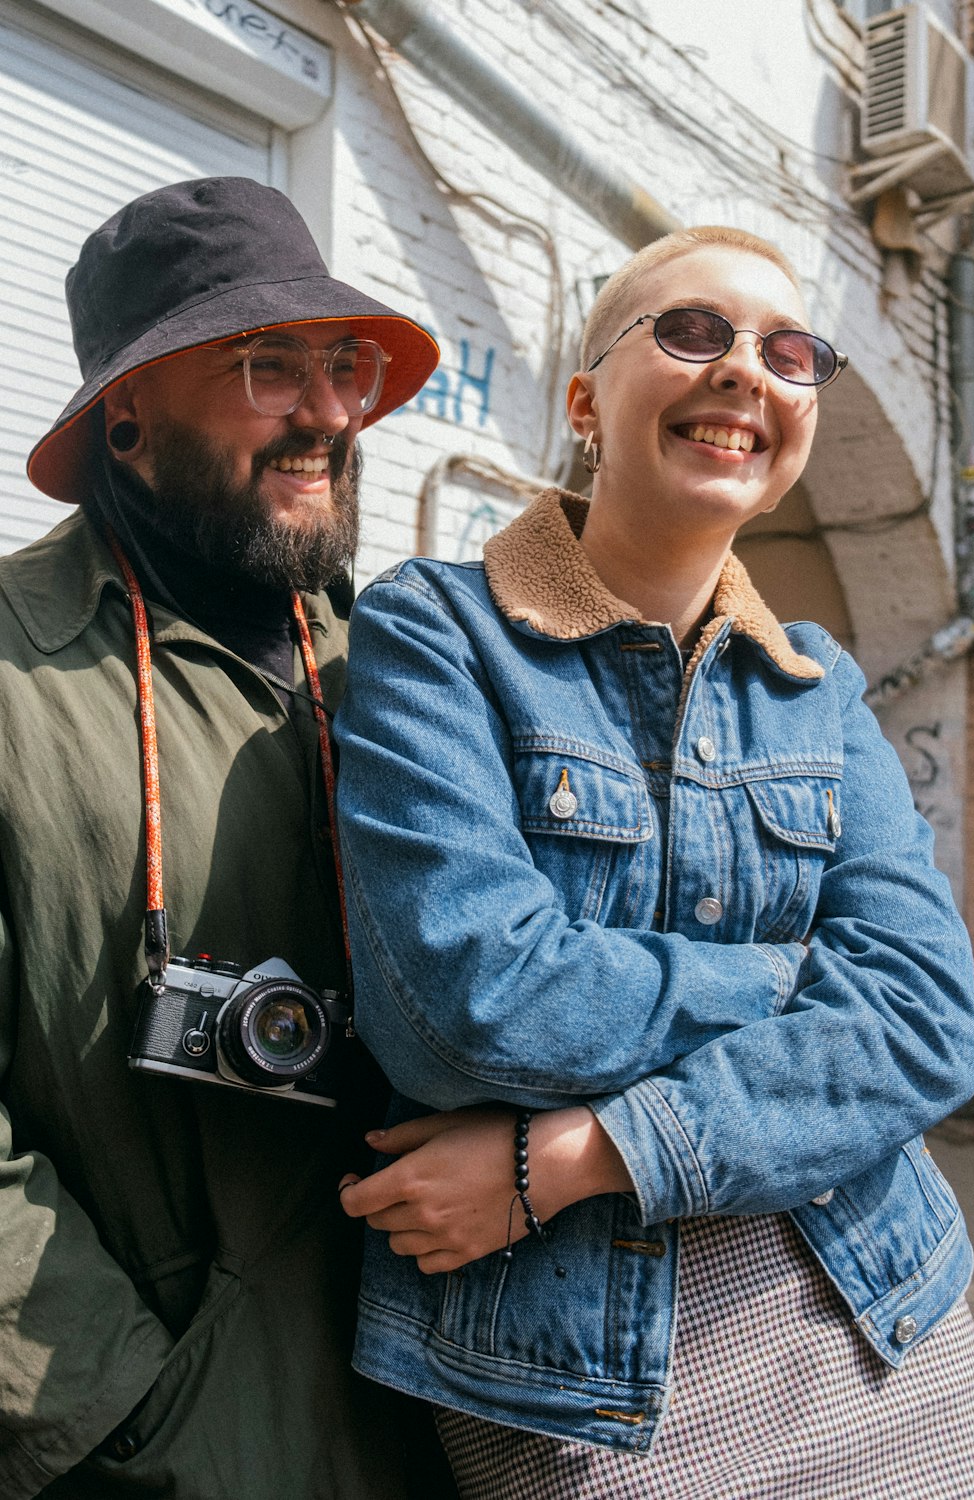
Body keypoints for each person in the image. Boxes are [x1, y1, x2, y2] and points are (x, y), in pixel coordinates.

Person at [335, 226, 974, 1498]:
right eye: (693, 332)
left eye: (789, 350)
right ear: (585, 401)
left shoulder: (815, 685)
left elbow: (923, 1028)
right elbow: (467, 1010)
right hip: (567, 1387)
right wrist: (794, 979)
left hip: (882, 1324)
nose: (747, 371)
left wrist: (578, 1156)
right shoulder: (438, 633)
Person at [0, 176, 448, 1500]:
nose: (325, 414)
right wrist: (115, 1424)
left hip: (435, 1425)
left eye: (343, 366)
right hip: (166, 1449)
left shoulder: (405, 668)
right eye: (266, 367)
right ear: (122, 416)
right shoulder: (15, 672)